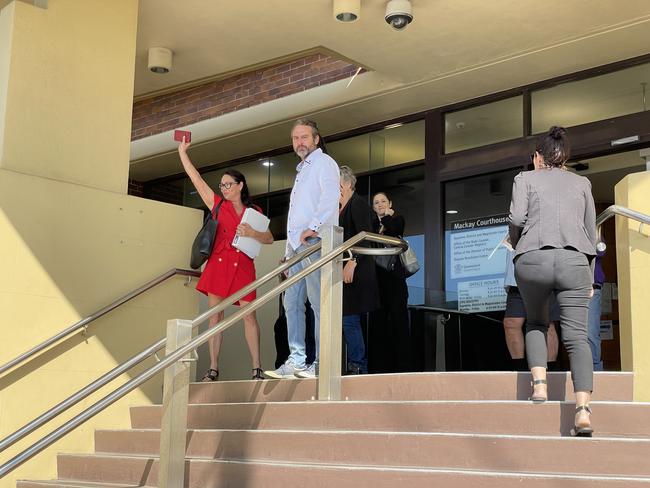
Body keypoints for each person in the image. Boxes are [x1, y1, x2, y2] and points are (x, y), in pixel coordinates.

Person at [508, 126, 597, 436]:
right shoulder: (582, 183)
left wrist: (520, 244)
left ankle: (540, 386)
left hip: (532, 260)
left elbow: (517, 219)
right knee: (576, 337)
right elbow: (591, 232)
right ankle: (583, 410)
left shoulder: (525, 179)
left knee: (535, 322)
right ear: (565, 157)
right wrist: (589, 274)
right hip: (575, 261)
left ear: (537, 157)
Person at [178, 137, 273, 381]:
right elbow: (196, 180)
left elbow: (270, 238)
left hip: (243, 267)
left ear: (240, 185)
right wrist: (182, 153)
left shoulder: (255, 212)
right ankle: (213, 368)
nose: (224, 188)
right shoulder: (217, 205)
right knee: (215, 318)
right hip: (219, 266)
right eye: (222, 185)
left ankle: (256, 367)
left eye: (228, 184)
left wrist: (252, 233)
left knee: (249, 316)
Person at [265, 119, 340, 379]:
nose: (300, 142)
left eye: (304, 137)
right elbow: (294, 216)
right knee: (292, 304)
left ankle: (320, 363)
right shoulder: (302, 170)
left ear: (316, 139)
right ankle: (296, 360)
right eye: (296, 138)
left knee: (318, 304)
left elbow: (331, 197)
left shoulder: (324, 163)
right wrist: (287, 252)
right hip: (296, 248)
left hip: (314, 243)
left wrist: (315, 227)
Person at [338, 166, 380, 374]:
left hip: (356, 269)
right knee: (346, 320)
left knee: (349, 319)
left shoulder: (358, 204)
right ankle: (352, 363)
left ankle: (357, 365)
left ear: (346, 184)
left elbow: (365, 235)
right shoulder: (340, 207)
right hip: (344, 270)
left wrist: (353, 261)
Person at [370, 191, 411, 373]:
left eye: (383, 201)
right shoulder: (370, 225)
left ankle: (403, 366)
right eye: (376, 202)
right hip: (377, 281)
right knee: (379, 325)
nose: (379, 205)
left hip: (395, 279)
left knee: (399, 322)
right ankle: (381, 367)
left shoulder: (397, 219)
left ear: (390, 202)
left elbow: (395, 232)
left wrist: (387, 217)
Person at [503, 247, 559, 371]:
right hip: (515, 278)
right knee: (511, 323)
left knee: (547, 324)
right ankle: (520, 369)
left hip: (541, 274)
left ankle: (551, 370)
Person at [587, 250, 606, 371]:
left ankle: (596, 372)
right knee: (572, 334)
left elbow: (600, 251)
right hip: (567, 286)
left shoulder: (594, 233)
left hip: (592, 286)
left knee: (590, 332)